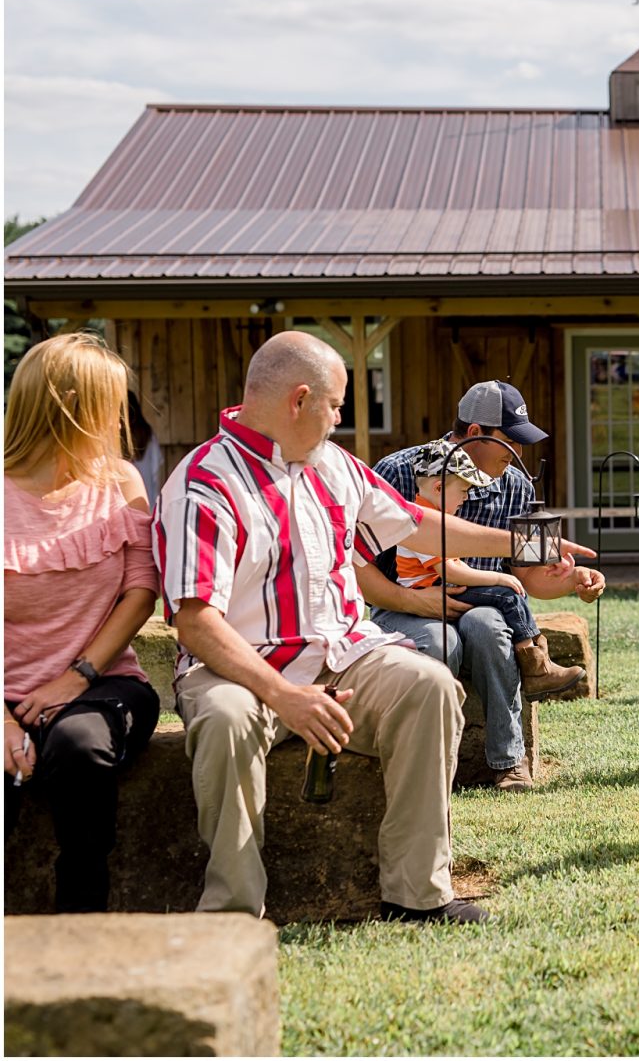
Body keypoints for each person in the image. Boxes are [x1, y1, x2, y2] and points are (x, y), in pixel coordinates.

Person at [155, 331, 523, 924]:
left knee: (429, 686)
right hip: (238, 667)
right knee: (226, 719)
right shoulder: (204, 481)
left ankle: (417, 895)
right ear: (299, 400)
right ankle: (234, 911)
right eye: (336, 405)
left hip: (345, 654)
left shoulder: (332, 465)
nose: (341, 418)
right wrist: (282, 695)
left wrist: (525, 544)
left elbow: (412, 523)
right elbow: (196, 623)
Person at [361, 380, 604, 793]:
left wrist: (568, 582)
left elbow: (523, 579)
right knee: (442, 644)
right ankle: (429, 765)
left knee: (490, 630)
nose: (519, 455)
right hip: (401, 603)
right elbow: (358, 572)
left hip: (484, 604)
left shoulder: (517, 486)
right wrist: (412, 600)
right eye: (510, 442)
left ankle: (509, 762)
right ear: (474, 433)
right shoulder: (398, 472)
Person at [4, 331, 161, 912]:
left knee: (77, 746)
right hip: (6, 692)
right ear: (71, 407)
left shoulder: (119, 481)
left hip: (103, 684)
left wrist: (78, 676)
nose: (119, 418)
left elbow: (141, 591)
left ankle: (82, 925)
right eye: (110, 404)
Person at [393, 440, 563, 700]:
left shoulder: (439, 517)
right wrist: (498, 577)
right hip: (428, 591)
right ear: (439, 487)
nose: (465, 497)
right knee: (507, 596)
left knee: (503, 597)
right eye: (463, 490)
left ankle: (538, 661)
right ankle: (537, 668)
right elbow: (451, 571)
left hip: (442, 587)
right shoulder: (422, 521)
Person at [126, 390, 163, 505]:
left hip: (125, 504)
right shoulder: (148, 434)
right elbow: (156, 471)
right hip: (148, 502)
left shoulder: (116, 437)